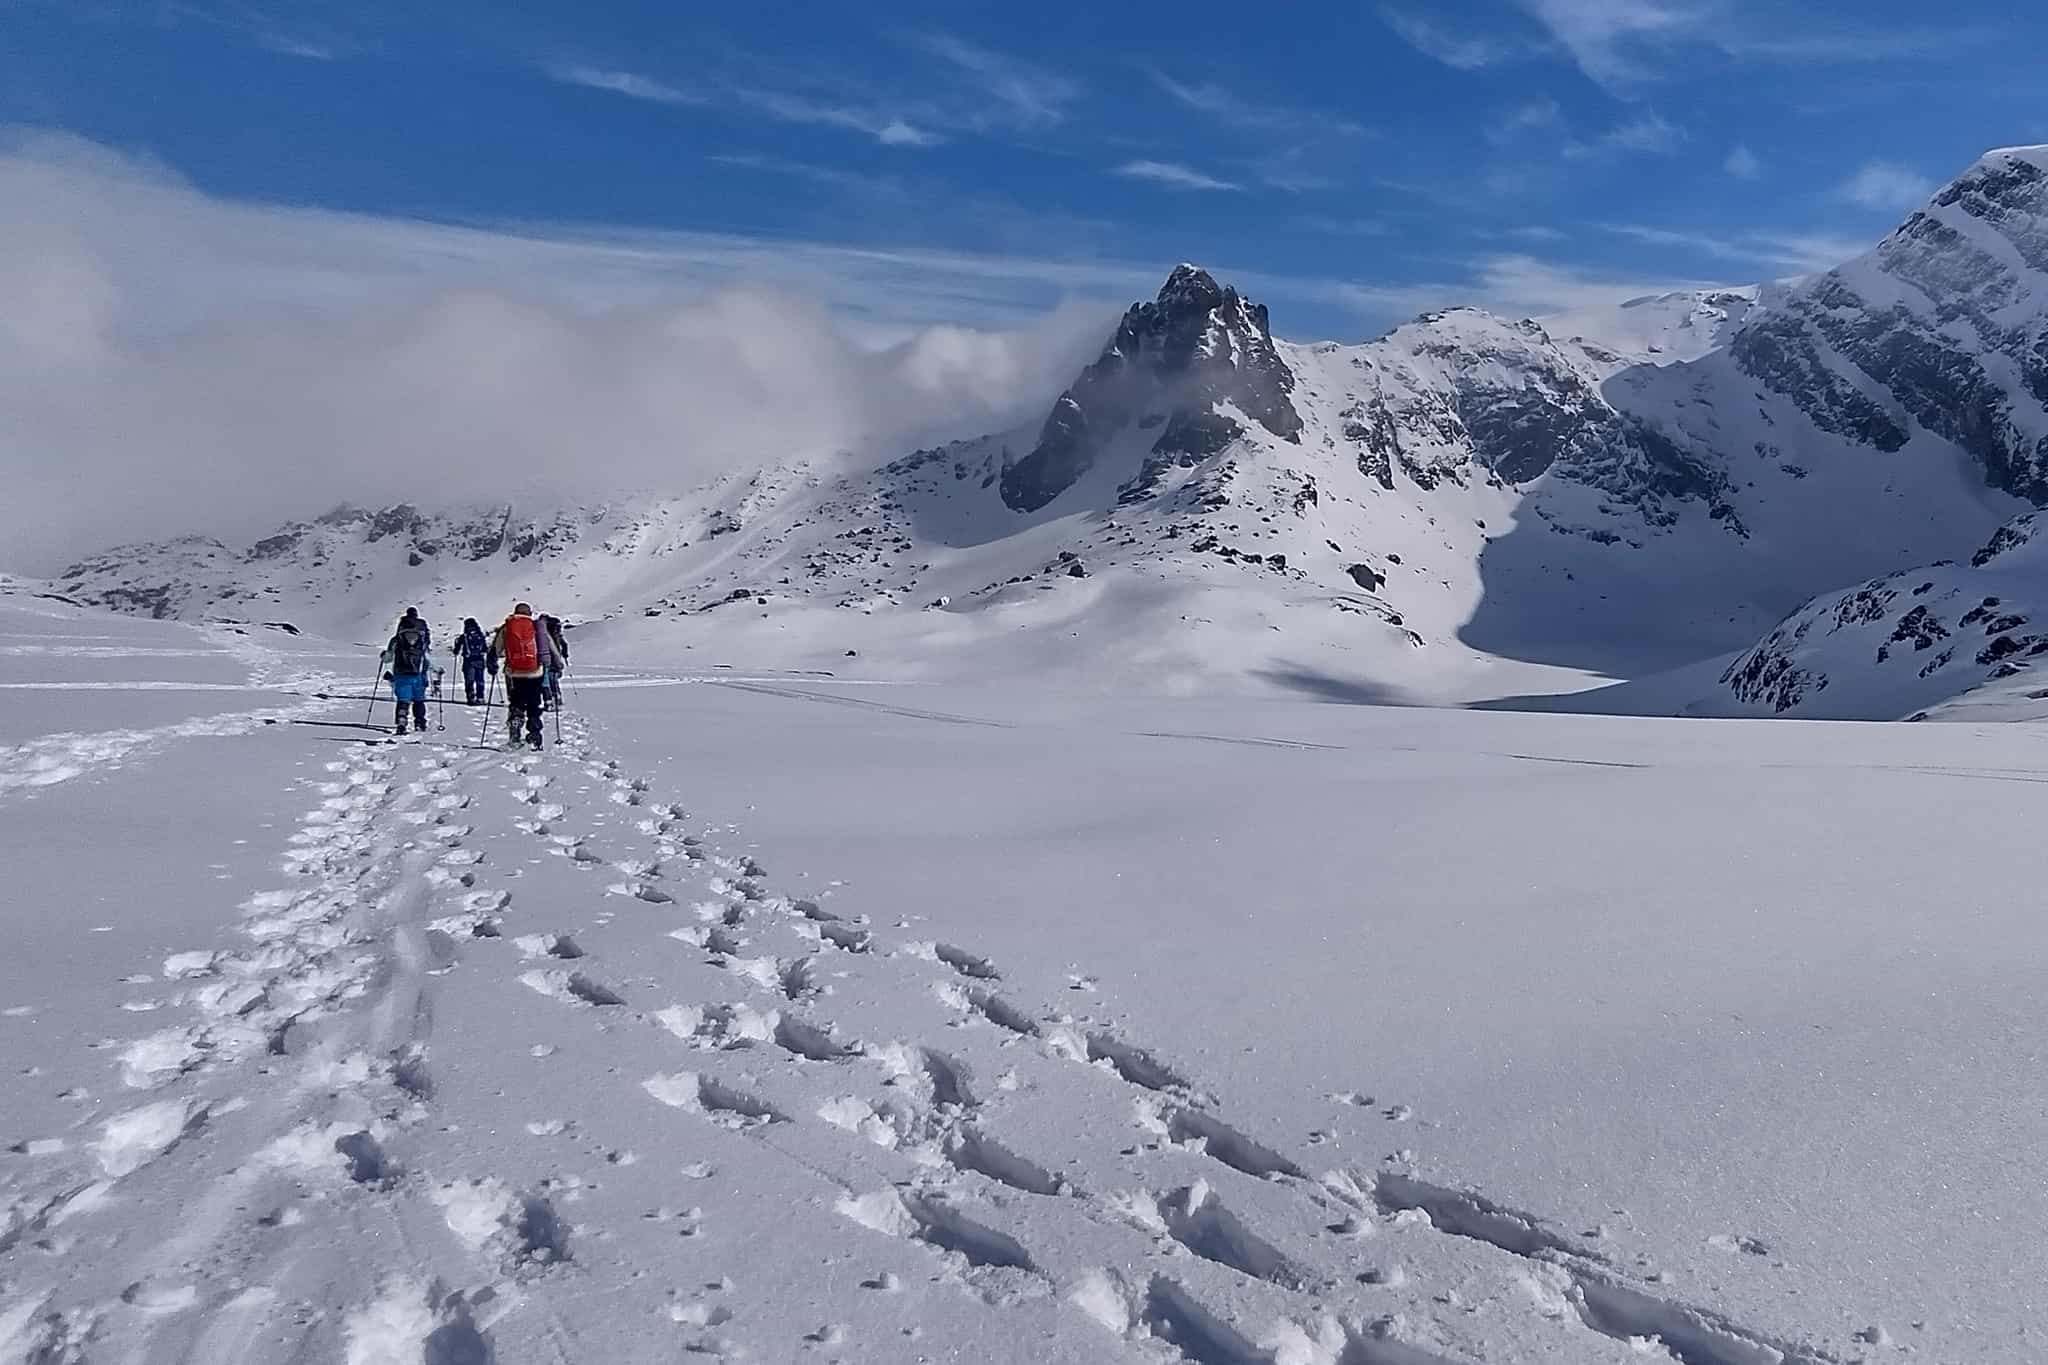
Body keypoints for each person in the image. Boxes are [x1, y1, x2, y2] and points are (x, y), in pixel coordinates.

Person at [488, 602, 560, 750]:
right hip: (535, 672)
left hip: (514, 673)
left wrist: (493, 663)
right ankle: (534, 734)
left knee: (516, 701)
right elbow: (550, 646)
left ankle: (515, 725)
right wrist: (558, 663)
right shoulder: (536, 626)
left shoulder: (507, 627)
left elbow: (497, 649)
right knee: (534, 703)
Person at [383, 608, 432, 735]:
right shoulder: (422, 638)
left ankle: (401, 722)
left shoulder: (396, 639)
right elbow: (427, 657)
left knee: (403, 700)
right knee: (419, 700)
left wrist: (383, 656)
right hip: (419, 674)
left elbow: (388, 658)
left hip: (401, 674)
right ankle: (420, 723)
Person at [454, 617, 490, 704]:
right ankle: (480, 697)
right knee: (480, 680)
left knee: (469, 680)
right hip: (480, 661)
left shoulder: (464, 636)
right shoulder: (480, 635)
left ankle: (471, 697)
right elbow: (485, 649)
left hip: (468, 661)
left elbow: (456, 650)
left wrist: (456, 650)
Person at [540, 614, 570, 708]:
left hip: (545, 659)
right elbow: (564, 644)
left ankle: (549, 700)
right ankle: (557, 698)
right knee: (554, 680)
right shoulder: (557, 634)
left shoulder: (543, 634)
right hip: (556, 659)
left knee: (546, 681)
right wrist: (565, 655)